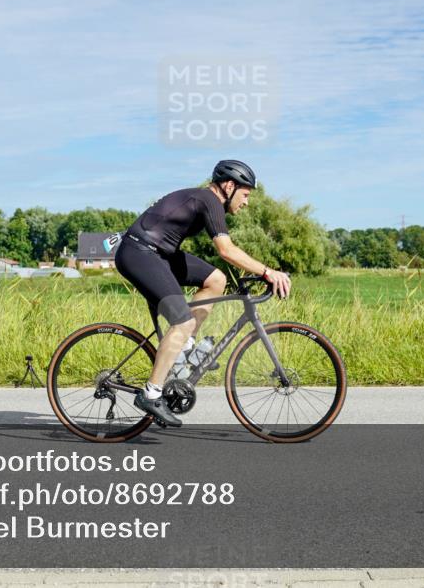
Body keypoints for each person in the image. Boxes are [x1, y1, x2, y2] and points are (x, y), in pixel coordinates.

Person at [114, 160, 292, 427]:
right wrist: (268, 272)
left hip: (159, 253)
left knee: (216, 279)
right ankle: (151, 394)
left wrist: (252, 275)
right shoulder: (209, 199)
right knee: (182, 321)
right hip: (140, 253)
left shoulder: (207, 201)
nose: (246, 203)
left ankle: (184, 352)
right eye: (245, 195)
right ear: (229, 186)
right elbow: (226, 251)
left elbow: (225, 261)